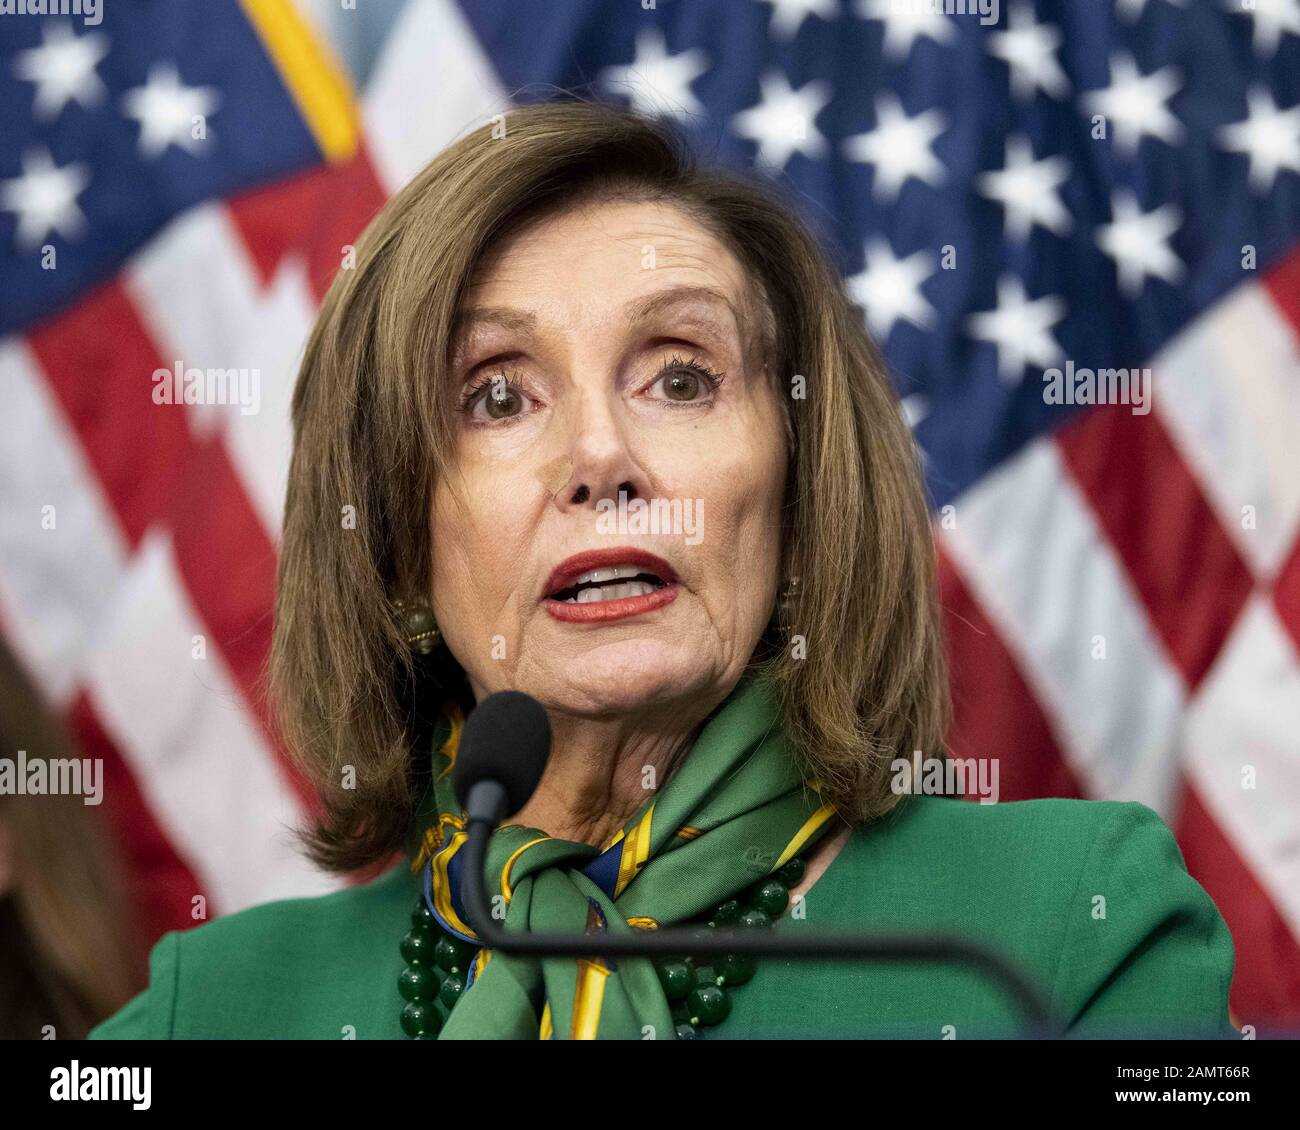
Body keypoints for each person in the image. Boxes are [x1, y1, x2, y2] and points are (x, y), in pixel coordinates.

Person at [89, 100, 1235, 1040]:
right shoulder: (218, 1008)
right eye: (497, 395)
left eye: (680, 376)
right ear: (391, 543)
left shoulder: (1066, 923)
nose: (599, 456)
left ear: (798, 490)